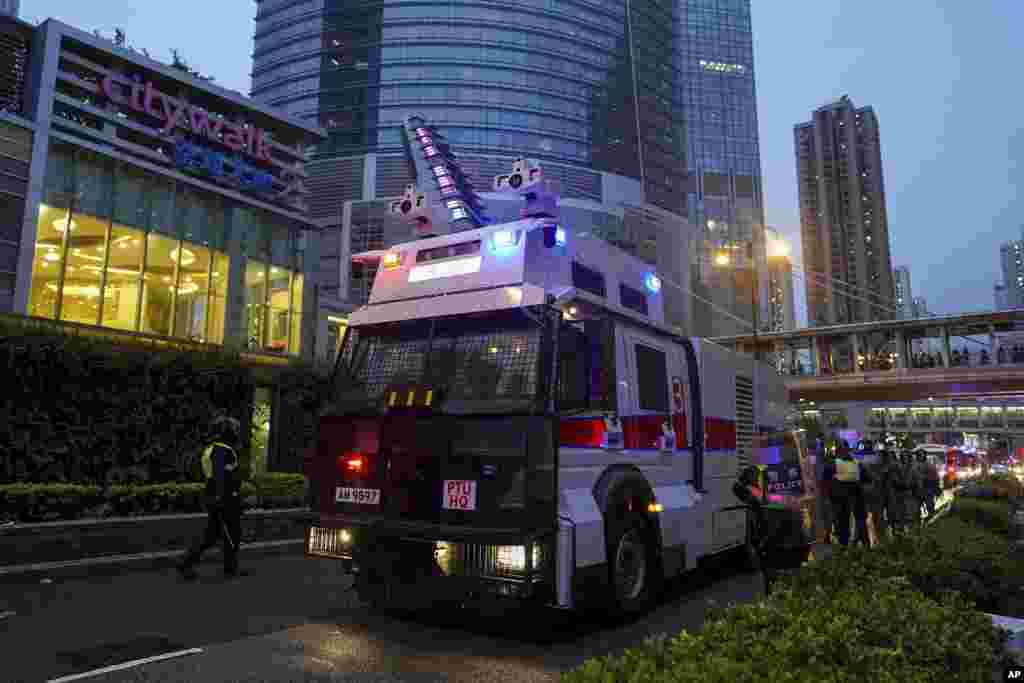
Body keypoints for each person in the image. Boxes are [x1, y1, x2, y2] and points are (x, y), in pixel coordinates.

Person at [178, 415, 245, 581]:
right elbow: (219, 476)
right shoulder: (221, 451)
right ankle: (228, 568)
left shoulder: (213, 449)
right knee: (231, 533)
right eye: (233, 429)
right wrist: (223, 497)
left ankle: (188, 563)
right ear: (226, 432)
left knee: (213, 535)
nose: (236, 432)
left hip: (216, 496)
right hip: (224, 498)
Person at [860, 444, 887, 545]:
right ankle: (878, 540)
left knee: (871, 518)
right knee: (876, 518)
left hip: (869, 492)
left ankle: (874, 540)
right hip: (875, 492)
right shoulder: (877, 459)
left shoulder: (862, 460)